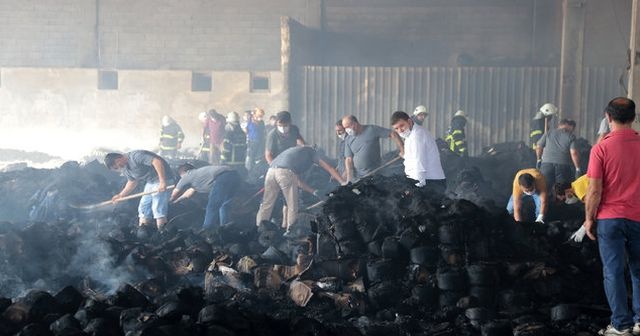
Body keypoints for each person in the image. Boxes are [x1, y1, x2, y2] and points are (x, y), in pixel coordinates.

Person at [583, 97, 640, 336]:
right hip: (638, 218)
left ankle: (621, 325)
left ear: (608, 117)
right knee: (639, 270)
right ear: (634, 118)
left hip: (610, 219)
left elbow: (594, 190)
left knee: (613, 272)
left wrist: (589, 219)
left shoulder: (601, 148)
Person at [256, 146, 345, 234]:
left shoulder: (296, 152)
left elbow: (296, 181)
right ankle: (291, 232)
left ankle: (260, 230)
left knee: (267, 203)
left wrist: (314, 191)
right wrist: (343, 182)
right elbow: (329, 168)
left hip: (271, 171)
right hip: (284, 173)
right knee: (293, 206)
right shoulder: (312, 153)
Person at [105, 150, 174, 230]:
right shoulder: (125, 168)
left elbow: (157, 162)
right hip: (150, 182)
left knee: (157, 206)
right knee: (143, 207)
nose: (119, 168)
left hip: (164, 179)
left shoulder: (136, 156)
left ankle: (162, 231)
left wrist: (162, 181)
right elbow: (132, 182)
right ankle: (143, 230)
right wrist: (120, 195)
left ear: (118, 159)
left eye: (117, 166)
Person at [170, 163, 240, 230]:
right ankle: (225, 226)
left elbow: (176, 191)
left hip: (222, 177)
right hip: (235, 175)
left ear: (183, 172)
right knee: (225, 205)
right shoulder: (197, 175)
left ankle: (207, 229)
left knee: (212, 206)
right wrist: (177, 201)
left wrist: (170, 200)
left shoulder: (187, 175)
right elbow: (189, 193)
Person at [390, 111, 446, 192]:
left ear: (409, 121)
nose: (400, 130)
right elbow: (414, 157)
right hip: (427, 181)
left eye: (402, 126)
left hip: (430, 183)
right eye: (396, 128)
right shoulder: (410, 135)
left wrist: (416, 188)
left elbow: (419, 164)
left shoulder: (417, 136)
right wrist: (405, 156)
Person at [342, 115, 404, 183]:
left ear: (355, 123)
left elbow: (393, 134)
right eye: (345, 128)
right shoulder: (348, 139)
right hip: (358, 177)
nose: (347, 130)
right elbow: (348, 159)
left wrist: (402, 150)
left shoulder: (371, 130)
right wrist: (349, 178)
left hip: (375, 174)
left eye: (348, 127)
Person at [536, 118, 580, 191]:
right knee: (562, 190)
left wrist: (539, 160)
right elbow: (574, 153)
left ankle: (546, 202)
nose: (572, 131)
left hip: (546, 166)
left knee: (545, 189)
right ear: (567, 125)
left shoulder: (548, 133)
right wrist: (577, 168)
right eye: (572, 128)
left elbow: (538, 147)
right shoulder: (571, 136)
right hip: (563, 167)